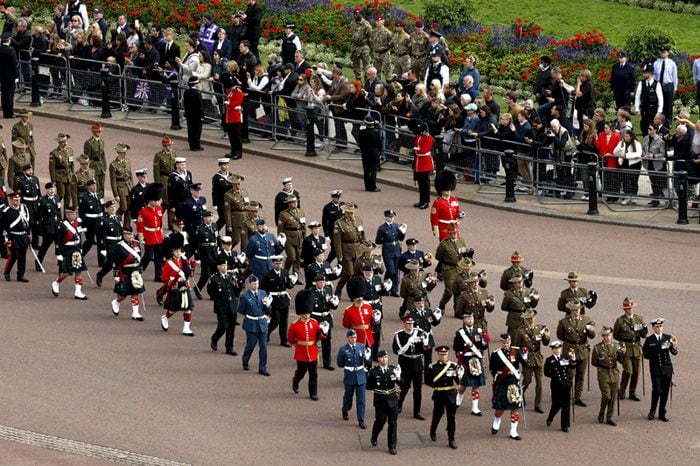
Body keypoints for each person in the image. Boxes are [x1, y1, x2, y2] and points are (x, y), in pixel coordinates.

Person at [286, 288, 328, 401]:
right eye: (305, 313)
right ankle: (296, 381)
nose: (307, 315)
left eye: (308, 313)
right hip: (301, 353)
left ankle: (313, 393)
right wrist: (299, 345)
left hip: (313, 351)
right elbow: (290, 339)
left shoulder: (314, 323)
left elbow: (319, 336)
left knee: (313, 374)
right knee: (301, 372)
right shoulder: (295, 325)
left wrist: (324, 333)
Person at [556, 299, 596, 406]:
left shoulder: (586, 320)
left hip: (583, 350)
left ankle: (577, 397)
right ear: (570, 310)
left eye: (578, 309)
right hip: (570, 350)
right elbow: (560, 335)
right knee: (570, 374)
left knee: (580, 375)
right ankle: (566, 395)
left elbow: (592, 336)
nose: (576, 311)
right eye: (574, 309)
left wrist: (591, 331)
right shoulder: (564, 322)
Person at [490, 333, 526, 440]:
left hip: (513, 382)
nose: (506, 344)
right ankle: (496, 421)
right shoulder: (496, 354)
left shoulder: (516, 351)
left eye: (508, 342)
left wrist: (525, 356)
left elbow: (525, 364)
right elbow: (492, 370)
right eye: (504, 342)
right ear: (501, 342)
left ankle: (513, 431)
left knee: (515, 407)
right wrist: (498, 379)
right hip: (502, 382)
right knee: (500, 408)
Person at [513, 309, 550, 413]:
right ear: (525, 319)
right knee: (527, 380)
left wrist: (547, 336)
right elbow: (516, 347)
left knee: (539, 383)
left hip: (538, 358)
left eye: (532, 317)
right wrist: (518, 360)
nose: (531, 319)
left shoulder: (540, 328)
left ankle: (538, 404)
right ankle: (520, 393)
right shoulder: (520, 331)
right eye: (528, 318)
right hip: (527, 359)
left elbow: (546, 343)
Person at [453, 311, 489, 416]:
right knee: (463, 384)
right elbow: (456, 347)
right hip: (465, 359)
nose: (470, 320)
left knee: (476, 384)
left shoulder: (478, 331)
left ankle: (475, 407)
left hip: (477, 359)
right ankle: (458, 399)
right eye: (468, 318)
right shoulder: (460, 333)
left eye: (471, 318)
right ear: (464, 320)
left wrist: (484, 342)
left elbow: (483, 347)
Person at [392, 316, 428, 420]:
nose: (410, 326)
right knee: (404, 386)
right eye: (408, 323)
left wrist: (425, 344)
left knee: (418, 389)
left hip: (417, 362)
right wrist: (409, 342)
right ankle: (399, 404)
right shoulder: (399, 335)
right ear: (404, 324)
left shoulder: (420, 333)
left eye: (412, 323)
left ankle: (417, 411)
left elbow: (425, 349)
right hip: (405, 363)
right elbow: (398, 351)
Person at [425, 345, 460, 449]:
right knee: (437, 414)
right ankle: (433, 430)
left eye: (445, 354)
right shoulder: (433, 367)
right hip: (439, 393)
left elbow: (457, 381)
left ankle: (451, 438)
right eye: (441, 355)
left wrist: (460, 376)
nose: (444, 356)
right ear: (438, 355)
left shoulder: (453, 366)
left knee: (451, 417)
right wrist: (436, 385)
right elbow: (427, 381)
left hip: (450, 393)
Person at [643, 318, 678, 422]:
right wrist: (656, 349)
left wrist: (675, 345)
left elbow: (674, 352)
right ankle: (652, 410)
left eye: (661, 326)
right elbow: (646, 355)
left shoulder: (668, 337)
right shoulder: (649, 340)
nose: (659, 328)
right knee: (657, 389)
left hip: (667, 368)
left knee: (665, 391)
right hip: (656, 368)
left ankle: (662, 411)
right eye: (657, 327)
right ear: (653, 328)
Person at [367, 349, 401, 455]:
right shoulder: (374, 371)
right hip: (380, 400)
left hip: (392, 399)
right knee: (380, 421)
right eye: (382, 357)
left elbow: (403, 383)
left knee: (393, 423)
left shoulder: (393, 370)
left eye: (385, 357)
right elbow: (368, 386)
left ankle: (392, 446)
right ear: (378, 359)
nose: (384, 359)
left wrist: (398, 377)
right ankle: (374, 435)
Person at [209, 256, 244, 356]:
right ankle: (215, 338)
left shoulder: (231, 276)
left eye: (225, 265)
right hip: (221, 306)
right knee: (224, 325)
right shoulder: (214, 278)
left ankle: (229, 347)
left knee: (231, 327)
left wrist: (237, 284)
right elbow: (210, 291)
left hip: (232, 305)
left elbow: (239, 289)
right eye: (222, 266)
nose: (224, 267)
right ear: (218, 267)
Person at [51, 207, 88, 300]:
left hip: (76, 249)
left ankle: (78, 292)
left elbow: (79, 235)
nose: (75, 216)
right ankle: (56, 282)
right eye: (73, 214)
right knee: (66, 273)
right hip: (67, 249)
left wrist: (80, 247)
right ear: (67, 215)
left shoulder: (77, 223)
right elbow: (58, 241)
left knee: (78, 270)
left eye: (75, 214)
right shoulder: (62, 225)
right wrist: (58, 254)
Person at [238, 274, 272, 375]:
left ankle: (262, 367)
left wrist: (267, 305)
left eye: (257, 284)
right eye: (253, 284)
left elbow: (267, 310)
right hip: (251, 324)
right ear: (249, 284)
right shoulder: (245, 296)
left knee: (264, 347)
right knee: (251, 345)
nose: (256, 286)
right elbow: (241, 310)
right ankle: (245, 360)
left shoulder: (263, 293)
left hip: (262, 323)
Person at [591, 326, 625, 426]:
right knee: (607, 395)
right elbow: (594, 362)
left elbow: (621, 361)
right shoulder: (597, 348)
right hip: (603, 374)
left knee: (613, 397)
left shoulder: (616, 346)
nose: (608, 337)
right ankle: (601, 412)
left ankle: (609, 417)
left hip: (614, 373)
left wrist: (623, 352)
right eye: (605, 336)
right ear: (603, 336)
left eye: (609, 335)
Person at [110, 226, 145, 320]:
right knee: (124, 293)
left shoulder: (136, 244)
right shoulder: (119, 246)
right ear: (124, 235)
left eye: (131, 234)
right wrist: (116, 275)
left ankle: (135, 313)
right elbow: (115, 262)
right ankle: (116, 302)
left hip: (135, 271)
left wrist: (140, 268)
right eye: (128, 234)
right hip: (125, 271)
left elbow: (139, 258)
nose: (130, 236)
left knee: (136, 292)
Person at [261, 256, 297, 347]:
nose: (278, 265)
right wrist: (265, 298)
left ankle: (284, 340)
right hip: (274, 299)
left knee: (284, 322)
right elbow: (263, 288)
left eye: (280, 263)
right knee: (276, 319)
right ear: (272, 264)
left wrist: (292, 282)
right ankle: (267, 332)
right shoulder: (268, 275)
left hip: (284, 299)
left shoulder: (285, 272)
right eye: (276, 264)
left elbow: (288, 286)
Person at [338, 329, 371, 428]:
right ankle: (345, 409)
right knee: (348, 396)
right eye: (351, 337)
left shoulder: (361, 347)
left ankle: (361, 419)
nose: (353, 339)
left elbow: (367, 362)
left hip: (361, 375)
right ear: (347, 338)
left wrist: (368, 358)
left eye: (355, 337)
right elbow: (340, 363)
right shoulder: (343, 349)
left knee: (361, 399)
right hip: (350, 375)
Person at [333, 202, 366, 296]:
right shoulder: (339, 223)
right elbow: (337, 241)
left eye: (352, 212)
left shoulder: (358, 220)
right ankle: (338, 289)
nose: (351, 214)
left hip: (358, 249)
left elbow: (362, 234)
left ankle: (355, 292)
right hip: (346, 250)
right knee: (348, 273)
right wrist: (339, 255)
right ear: (345, 212)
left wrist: (365, 247)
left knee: (358, 273)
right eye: (349, 212)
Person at [309, 274, 339, 369]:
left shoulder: (328, 290)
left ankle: (327, 363)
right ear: (316, 283)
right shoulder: (311, 292)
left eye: (323, 282)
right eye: (320, 282)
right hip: (315, 318)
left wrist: (334, 303)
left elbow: (332, 306)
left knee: (327, 342)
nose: (322, 284)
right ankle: (311, 360)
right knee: (313, 340)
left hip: (326, 318)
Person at [544, 340, 574, 432]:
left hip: (566, 383)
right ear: (552, 350)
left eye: (559, 348)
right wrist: (553, 374)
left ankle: (565, 425)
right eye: (555, 349)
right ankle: (550, 417)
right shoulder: (549, 360)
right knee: (556, 404)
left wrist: (573, 359)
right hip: (556, 385)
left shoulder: (565, 357)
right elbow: (546, 373)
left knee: (566, 405)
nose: (557, 350)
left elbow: (572, 366)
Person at [374, 209, 405, 297]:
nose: (391, 218)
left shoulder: (396, 226)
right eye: (389, 217)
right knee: (391, 271)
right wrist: (384, 240)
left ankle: (394, 289)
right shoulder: (382, 228)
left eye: (392, 217)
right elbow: (378, 241)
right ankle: (386, 286)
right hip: (388, 251)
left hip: (396, 250)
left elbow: (401, 238)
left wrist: (403, 232)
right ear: (386, 217)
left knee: (396, 271)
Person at [2, 192, 31, 282]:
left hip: (22, 235)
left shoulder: (23, 209)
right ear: (11, 200)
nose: (17, 202)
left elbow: (26, 223)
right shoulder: (6, 211)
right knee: (14, 256)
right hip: (13, 236)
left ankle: (20, 275)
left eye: (18, 200)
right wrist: (8, 239)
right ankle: (7, 272)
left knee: (22, 256)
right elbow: (4, 227)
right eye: (15, 200)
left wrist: (28, 233)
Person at [500, 275, 539, 340]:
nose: (520, 283)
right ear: (514, 283)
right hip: (514, 321)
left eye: (521, 281)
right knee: (514, 340)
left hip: (526, 320)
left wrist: (536, 300)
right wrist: (514, 310)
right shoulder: (509, 294)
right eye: (518, 282)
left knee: (526, 340)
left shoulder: (528, 292)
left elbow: (533, 305)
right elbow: (504, 307)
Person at [342, 276, 375, 350]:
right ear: (353, 297)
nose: (360, 298)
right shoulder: (348, 310)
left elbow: (372, 323)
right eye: (357, 297)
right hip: (357, 338)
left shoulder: (368, 306)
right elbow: (346, 324)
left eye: (361, 296)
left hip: (368, 338)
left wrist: (376, 320)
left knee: (368, 359)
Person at [277, 195, 305, 278]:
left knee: (298, 257)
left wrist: (304, 237)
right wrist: (280, 239)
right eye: (292, 202)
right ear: (288, 204)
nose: (295, 203)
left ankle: (295, 275)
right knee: (292, 257)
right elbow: (280, 227)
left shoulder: (301, 212)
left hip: (299, 236)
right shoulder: (283, 214)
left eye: (295, 202)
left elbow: (303, 225)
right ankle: (285, 271)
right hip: (289, 237)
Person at [430, 170, 463, 240]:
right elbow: (434, 218)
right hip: (444, 228)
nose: (449, 191)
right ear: (441, 190)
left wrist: (460, 214)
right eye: (447, 190)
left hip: (454, 227)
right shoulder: (438, 202)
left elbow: (457, 212)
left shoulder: (454, 199)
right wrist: (435, 229)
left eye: (450, 190)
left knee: (456, 245)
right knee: (446, 247)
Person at [36, 182, 62, 268]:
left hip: (57, 226)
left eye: (53, 189)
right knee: (45, 246)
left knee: (59, 247)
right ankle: (38, 262)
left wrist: (60, 222)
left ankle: (61, 265)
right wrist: (40, 230)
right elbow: (39, 217)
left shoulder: (57, 197)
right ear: (46, 190)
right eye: (50, 189)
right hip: (48, 227)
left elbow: (58, 212)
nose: (52, 190)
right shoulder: (42, 200)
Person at [49, 133, 77, 212]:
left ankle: (66, 215)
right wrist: (53, 180)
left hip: (68, 176)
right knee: (61, 194)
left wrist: (73, 175)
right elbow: (52, 168)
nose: (65, 143)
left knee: (68, 196)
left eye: (65, 141)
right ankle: (55, 209)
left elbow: (72, 164)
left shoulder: (70, 150)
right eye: (63, 142)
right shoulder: (54, 153)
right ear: (59, 143)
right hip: (59, 176)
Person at [78, 178, 103, 265]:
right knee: (90, 242)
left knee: (101, 242)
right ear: (88, 187)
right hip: (90, 223)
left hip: (99, 221)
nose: (94, 187)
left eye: (95, 185)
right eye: (92, 185)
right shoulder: (84, 197)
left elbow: (102, 209)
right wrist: (83, 225)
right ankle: (80, 256)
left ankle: (101, 261)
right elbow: (82, 213)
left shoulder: (99, 195)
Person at [635, 63, 664, 137]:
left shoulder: (657, 84)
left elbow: (660, 98)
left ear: (650, 73)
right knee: (644, 126)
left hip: (653, 109)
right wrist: (637, 109)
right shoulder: (641, 83)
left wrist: (659, 111)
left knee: (654, 126)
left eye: (645, 73)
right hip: (644, 109)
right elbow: (637, 96)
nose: (643, 74)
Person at [108, 143, 133, 225]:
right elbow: (113, 181)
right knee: (124, 207)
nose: (125, 154)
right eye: (123, 152)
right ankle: (114, 219)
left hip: (128, 187)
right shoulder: (113, 165)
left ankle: (126, 227)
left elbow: (130, 176)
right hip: (120, 188)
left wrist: (132, 188)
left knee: (129, 209)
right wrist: (116, 194)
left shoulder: (128, 161)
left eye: (125, 152)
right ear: (118, 153)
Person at [411, 119, 434, 209]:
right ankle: (421, 200)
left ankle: (426, 201)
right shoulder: (418, 136)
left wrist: (416, 149)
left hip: (425, 162)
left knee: (425, 184)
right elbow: (417, 145)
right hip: (418, 162)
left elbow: (423, 150)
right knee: (420, 183)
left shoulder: (428, 138)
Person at [653, 47, 677, 123]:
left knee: (668, 104)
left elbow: (675, 76)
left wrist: (675, 88)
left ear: (668, 53)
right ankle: (659, 120)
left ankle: (668, 121)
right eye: (662, 52)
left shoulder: (672, 63)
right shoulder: (656, 63)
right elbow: (654, 75)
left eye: (664, 52)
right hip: (659, 85)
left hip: (668, 85)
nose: (663, 53)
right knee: (659, 103)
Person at [358, 116, 382, 192]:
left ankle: (367, 186)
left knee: (366, 171)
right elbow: (379, 145)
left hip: (365, 153)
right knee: (373, 171)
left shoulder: (361, 132)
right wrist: (379, 153)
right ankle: (373, 187)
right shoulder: (376, 133)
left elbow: (360, 143)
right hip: (374, 153)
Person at [224, 77, 244, 159]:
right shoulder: (231, 91)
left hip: (235, 116)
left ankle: (238, 153)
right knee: (231, 135)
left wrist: (227, 104)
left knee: (236, 136)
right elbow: (227, 91)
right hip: (229, 116)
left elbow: (233, 104)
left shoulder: (239, 93)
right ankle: (233, 151)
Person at [321, 189, 343, 263]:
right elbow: (324, 222)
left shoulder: (343, 205)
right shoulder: (327, 207)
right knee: (335, 249)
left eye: (339, 197)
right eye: (336, 197)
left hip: (342, 232)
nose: (338, 199)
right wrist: (326, 234)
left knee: (341, 249)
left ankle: (339, 266)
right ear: (332, 198)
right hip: (333, 232)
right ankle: (327, 263)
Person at [183, 76, 204, 151]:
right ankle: (197, 145)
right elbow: (200, 105)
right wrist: (202, 115)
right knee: (197, 131)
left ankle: (192, 145)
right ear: (195, 84)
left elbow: (185, 103)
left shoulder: (186, 92)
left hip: (189, 114)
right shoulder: (197, 93)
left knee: (190, 130)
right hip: (197, 115)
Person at [350, 9, 371, 81]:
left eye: (358, 14)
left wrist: (369, 47)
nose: (356, 15)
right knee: (356, 66)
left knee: (367, 67)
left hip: (364, 47)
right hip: (355, 47)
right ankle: (358, 82)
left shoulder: (366, 24)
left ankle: (367, 83)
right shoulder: (353, 23)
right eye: (355, 14)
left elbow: (370, 37)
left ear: (361, 14)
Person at [0, 32, 18, 118]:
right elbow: (14, 64)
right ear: (9, 40)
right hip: (10, 76)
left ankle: (5, 112)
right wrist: (16, 76)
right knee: (10, 95)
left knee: (4, 94)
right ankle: (10, 113)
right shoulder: (11, 50)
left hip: (2, 75)